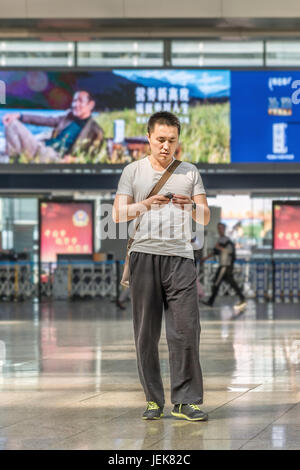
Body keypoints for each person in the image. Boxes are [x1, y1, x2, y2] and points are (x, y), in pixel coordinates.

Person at [113, 111, 210, 422]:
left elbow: (205, 216)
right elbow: (117, 216)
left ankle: (186, 401)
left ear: (178, 141)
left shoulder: (189, 172)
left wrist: (192, 206)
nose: (166, 146)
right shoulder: (132, 171)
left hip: (181, 257)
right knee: (146, 333)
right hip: (143, 255)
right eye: (161, 140)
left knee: (185, 330)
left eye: (172, 140)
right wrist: (144, 205)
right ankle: (153, 400)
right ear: (149, 139)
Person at [2, 90, 104, 163]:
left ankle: (13, 159)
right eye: (74, 101)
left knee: (13, 125)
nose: (75, 104)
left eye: (80, 101)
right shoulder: (68, 117)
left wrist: (74, 160)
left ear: (90, 104)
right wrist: (20, 116)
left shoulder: (95, 130)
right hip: (41, 146)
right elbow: (44, 120)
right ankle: (14, 159)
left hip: (54, 156)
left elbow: (94, 155)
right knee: (12, 122)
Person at [200, 222, 246, 312]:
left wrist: (219, 249)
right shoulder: (221, 240)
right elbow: (215, 251)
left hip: (225, 266)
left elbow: (229, 251)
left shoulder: (225, 240)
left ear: (224, 229)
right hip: (224, 265)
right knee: (230, 283)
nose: (219, 230)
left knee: (217, 282)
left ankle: (211, 301)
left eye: (221, 228)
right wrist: (205, 258)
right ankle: (242, 298)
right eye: (218, 228)